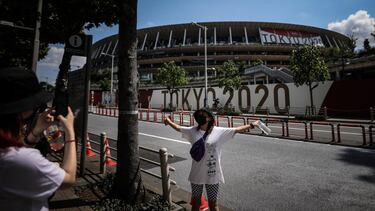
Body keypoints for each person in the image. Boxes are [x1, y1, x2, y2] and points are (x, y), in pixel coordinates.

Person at [0, 67, 77, 211]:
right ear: (21, 112)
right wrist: (70, 131)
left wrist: (35, 132)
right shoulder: (22, 160)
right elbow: (69, 179)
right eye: (34, 104)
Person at [163, 108, 260, 211]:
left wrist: (252, 125)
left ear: (209, 118)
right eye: (198, 115)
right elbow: (178, 128)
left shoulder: (219, 131)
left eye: (203, 115)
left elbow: (236, 129)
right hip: (197, 174)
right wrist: (168, 121)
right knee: (196, 203)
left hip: (212, 174)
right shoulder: (192, 131)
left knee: (213, 205)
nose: (199, 116)